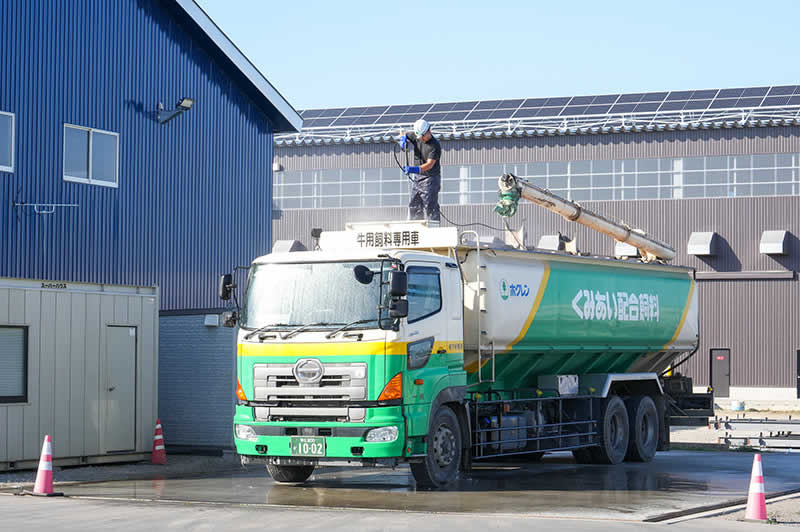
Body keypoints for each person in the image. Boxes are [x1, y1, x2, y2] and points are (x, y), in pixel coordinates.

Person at [399, 119, 441, 222]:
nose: (421, 139)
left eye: (423, 136)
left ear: (429, 131)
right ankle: (416, 229)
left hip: (430, 179)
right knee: (414, 205)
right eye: (420, 137)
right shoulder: (418, 136)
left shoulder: (434, 146)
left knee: (430, 206)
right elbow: (404, 134)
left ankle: (434, 229)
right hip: (418, 178)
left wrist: (413, 169)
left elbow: (430, 164)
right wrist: (402, 139)